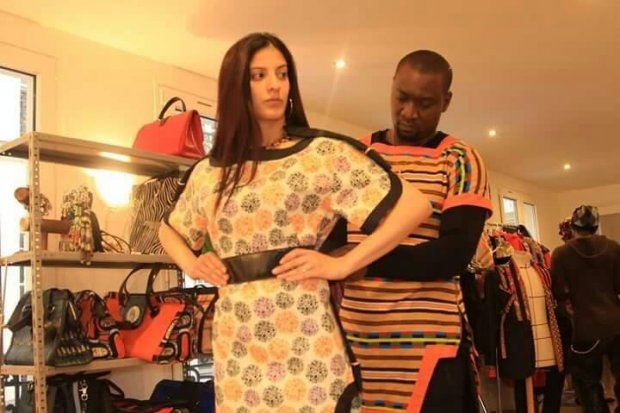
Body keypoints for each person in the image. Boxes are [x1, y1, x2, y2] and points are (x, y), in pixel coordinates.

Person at [159, 32, 431, 413]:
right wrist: (192, 264)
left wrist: (343, 265)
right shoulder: (210, 171)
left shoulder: (320, 155)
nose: (275, 84)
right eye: (259, 76)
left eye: (282, 73)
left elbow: (415, 206)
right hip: (237, 346)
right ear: (236, 88)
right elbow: (167, 230)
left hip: (306, 341)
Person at [339, 50, 493, 412]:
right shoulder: (354, 155)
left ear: (446, 102)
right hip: (356, 340)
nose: (409, 112)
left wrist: (360, 262)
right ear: (391, 87)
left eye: (425, 104)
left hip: (430, 345)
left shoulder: (461, 160)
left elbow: (453, 254)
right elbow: (330, 240)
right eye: (402, 98)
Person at [551, 205, 620, 413]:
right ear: (596, 226)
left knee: (588, 383)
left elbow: (559, 293)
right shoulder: (614, 248)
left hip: (584, 327)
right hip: (616, 324)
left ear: (572, 227)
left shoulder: (561, 254)